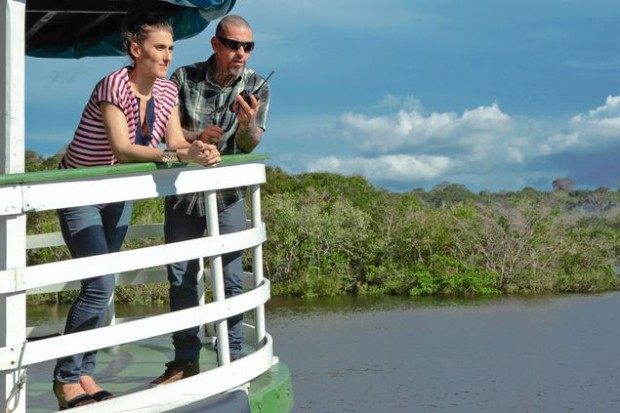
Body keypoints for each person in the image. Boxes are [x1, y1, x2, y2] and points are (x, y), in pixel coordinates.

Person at [52, 15, 220, 409]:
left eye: (171, 48)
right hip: (79, 190)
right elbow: (123, 148)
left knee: (99, 285)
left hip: (119, 192)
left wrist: (197, 154)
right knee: (99, 284)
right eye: (160, 47)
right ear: (136, 50)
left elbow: (176, 141)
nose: (167, 56)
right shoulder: (114, 85)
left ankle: (84, 373)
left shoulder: (165, 92)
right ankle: (65, 379)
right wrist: (176, 153)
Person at [150, 15, 271, 386]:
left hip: (228, 193)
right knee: (182, 277)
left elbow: (251, 143)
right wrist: (196, 134)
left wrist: (249, 125)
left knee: (231, 279)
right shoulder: (183, 78)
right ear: (216, 44)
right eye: (234, 45)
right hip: (183, 191)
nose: (241, 53)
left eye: (248, 47)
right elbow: (163, 134)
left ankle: (231, 356)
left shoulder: (256, 85)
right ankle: (185, 360)